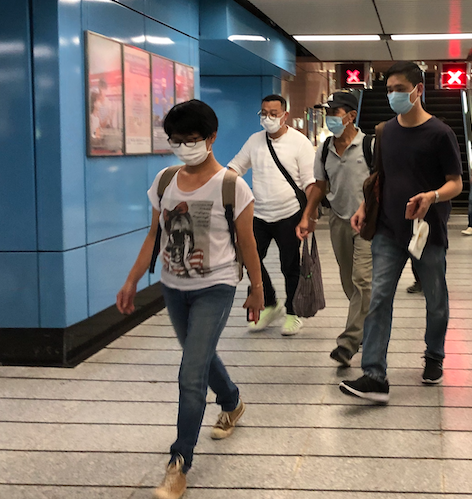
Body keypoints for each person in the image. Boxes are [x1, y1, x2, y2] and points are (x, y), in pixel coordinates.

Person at [116, 100, 264, 499]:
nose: (183, 147)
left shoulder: (232, 186)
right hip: (173, 287)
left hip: (216, 286)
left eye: (191, 140)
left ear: (212, 138)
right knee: (201, 356)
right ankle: (232, 401)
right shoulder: (165, 181)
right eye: (176, 140)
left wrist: (257, 288)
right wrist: (132, 281)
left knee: (190, 372)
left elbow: (248, 242)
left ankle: (179, 463)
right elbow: (154, 235)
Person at [340, 61, 463, 402]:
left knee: (436, 300)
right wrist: (366, 207)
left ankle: (434, 356)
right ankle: (374, 374)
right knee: (379, 298)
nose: (393, 95)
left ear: (418, 90)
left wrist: (432, 196)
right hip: (389, 230)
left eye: (399, 89)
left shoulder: (440, 133)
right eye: (389, 89)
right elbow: (381, 176)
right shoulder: (386, 131)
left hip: (427, 231)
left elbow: (456, 182)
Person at [228, 94, 316, 336]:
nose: (268, 118)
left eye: (273, 114)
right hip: (259, 214)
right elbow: (235, 168)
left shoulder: (300, 143)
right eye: (264, 113)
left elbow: (311, 183)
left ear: (285, 115)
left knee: (290, 266)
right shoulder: (254, 141)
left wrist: (309, 216)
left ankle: (292, 312)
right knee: (248, 258)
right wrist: (220, 184)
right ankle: (269, 303)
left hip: (289, 214)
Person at [296, 91, 373, 367]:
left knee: (363, 280)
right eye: (328, 113)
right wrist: (308, 216)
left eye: (335, 113)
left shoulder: (370, 146)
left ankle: (348, 343)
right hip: (338, 221)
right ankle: (365, 322)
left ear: (351, 116)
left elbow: (379, 184)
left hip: (367, 223)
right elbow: (320, 186)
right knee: (348, 281)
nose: (330, 118)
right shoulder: (325, 147)